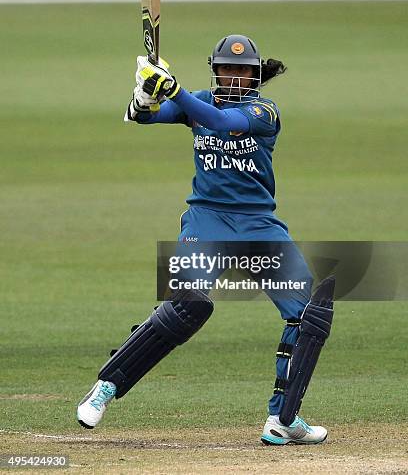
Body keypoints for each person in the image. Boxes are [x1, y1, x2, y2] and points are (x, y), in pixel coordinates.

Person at [77, 34, 330, 445]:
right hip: (206, 220)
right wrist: (144, 95)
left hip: (258, 227)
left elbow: (221, 122)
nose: (234, 77)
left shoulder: (263, 111)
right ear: (215, 71)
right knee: (188, 305)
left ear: (255, 75)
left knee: (308, 314)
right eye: (227, 69)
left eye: (243, 70)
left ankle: (284, 419)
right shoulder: (200, 101)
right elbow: (141, 116)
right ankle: (105, 388)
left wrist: (172, 89)